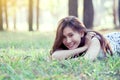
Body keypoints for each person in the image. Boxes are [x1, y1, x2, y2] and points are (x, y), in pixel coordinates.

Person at [50, 16, 120, 61]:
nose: (68, 41)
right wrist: (84, 47)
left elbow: (85, 60)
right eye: (63, 37)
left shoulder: (94, 40)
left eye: (71, 35)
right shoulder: (76, 45)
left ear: (81, 33)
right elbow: (55, 56)